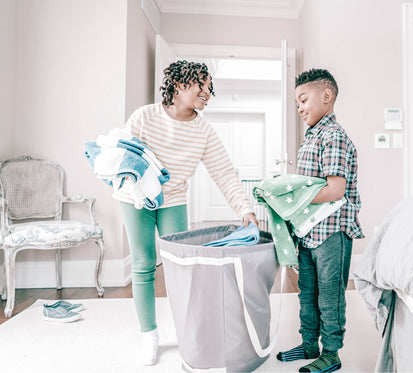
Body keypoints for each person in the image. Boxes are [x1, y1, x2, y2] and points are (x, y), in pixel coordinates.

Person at [113, 60, 258, 365]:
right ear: (179, 85)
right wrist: (137, 187)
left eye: (209, 88)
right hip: (134, 195)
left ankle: (188, 331)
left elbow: (224, 173)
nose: (207, 93)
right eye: (201, 86)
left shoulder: (203, 131)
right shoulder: (144, 117)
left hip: (174, 198)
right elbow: (125, 159)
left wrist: (245, 209)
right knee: (142, 263)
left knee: (183, 265)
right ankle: (149, 336)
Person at [276, 68, 363, 373]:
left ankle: (332, 352)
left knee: (329, 293)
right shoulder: (310, 138)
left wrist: (292, 195)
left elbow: (335, 188)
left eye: (303, 99)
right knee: (308, 290)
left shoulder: (334, 136)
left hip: (332, 231)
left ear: (326, 96)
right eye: (296, 102)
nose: (299, 107)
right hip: (309, 231)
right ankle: (310, 342)